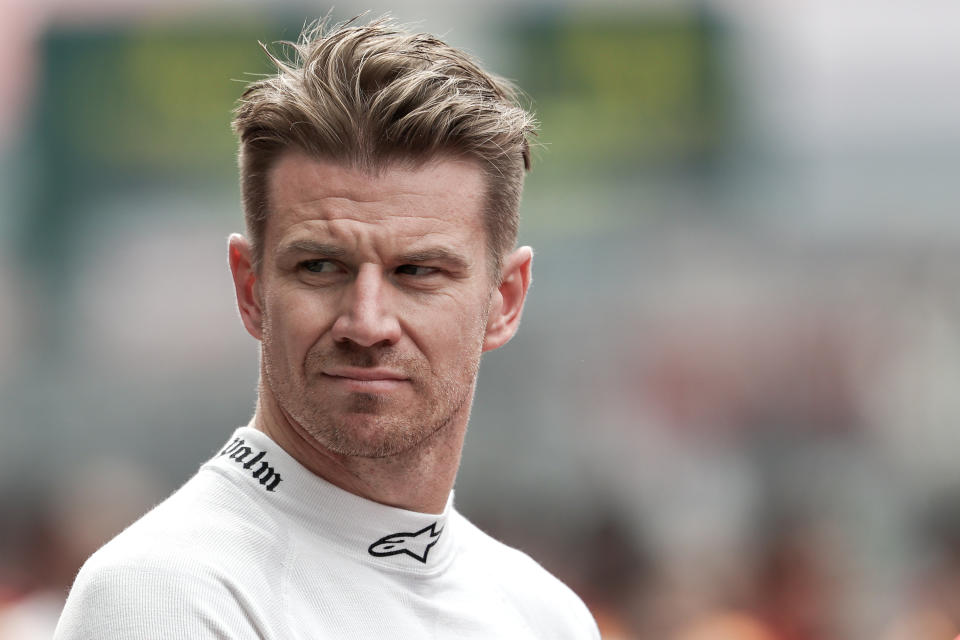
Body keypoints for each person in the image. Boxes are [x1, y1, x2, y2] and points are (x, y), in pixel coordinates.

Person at [54, 16, 600, 639]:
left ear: (504, 300)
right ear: (250, 287)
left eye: (417, 271)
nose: (366, 323)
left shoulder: (544, 615)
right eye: (320, 266)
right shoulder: (165, 592)